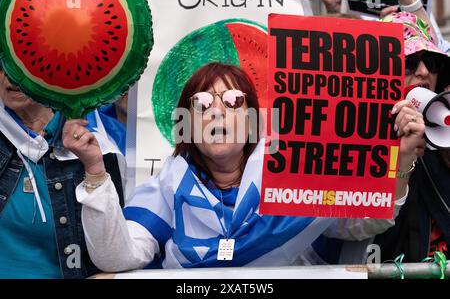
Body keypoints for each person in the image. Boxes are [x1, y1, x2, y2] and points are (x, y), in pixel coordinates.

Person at [63, 61, 424, 271]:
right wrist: (95, 171)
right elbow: (115, 256)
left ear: (253, 120)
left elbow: (365, 222)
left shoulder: (293, 173)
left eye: (233, 99)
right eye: (202, 102)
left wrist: (403, 158)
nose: (217, 109)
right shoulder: (168, 185)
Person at [0, 64, 125, 279]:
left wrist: (93, 168)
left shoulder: (98, 149)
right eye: (1, 68)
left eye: (19, 65)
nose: (8, 79)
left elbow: (113, 256)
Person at [373, 11, 450, 262]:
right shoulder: (355, 141)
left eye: (433, 62)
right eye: (410, 62)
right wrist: (402, 161)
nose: (424, 72)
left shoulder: (442, 127)